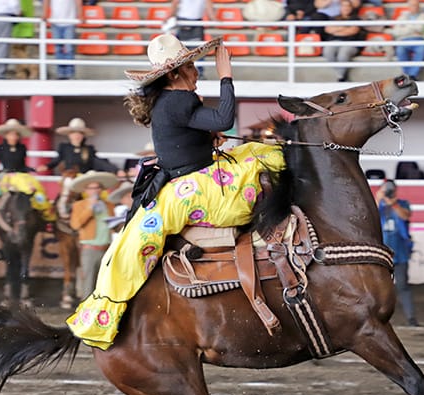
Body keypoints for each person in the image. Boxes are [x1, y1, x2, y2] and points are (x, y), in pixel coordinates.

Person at [66, 34, 285, 350]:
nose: (197, 72)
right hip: (193, 186)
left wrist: (206, 139)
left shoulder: (171, 101)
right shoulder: (179, 100)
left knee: (257, 153)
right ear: (174, 74)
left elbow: (188, 133)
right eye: (193, 66)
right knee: (268, 157)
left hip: (187, 177)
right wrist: (226, 75)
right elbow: (224, 117)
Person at [0, 118, 55, 222]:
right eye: (11, 134)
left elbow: (23, 165)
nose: (13, 137)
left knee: (36, 189)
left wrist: (34, 169)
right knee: (0, 195)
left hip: (21, 174)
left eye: (16, 134)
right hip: (6, 175)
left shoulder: (22, 148)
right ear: (5, 135)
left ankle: (43, 215)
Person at [376, 179, 418, 327]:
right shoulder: (378, 206)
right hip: (381, 254)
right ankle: (380, 317)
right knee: (380, 288)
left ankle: (411, 317)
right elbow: (370, 215)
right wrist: (378, 198)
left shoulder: (402, 204)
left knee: (403, 287)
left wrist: (393, 203)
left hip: (400, 253)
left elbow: (405, 216)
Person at [69, 171, 118, 299]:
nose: (95, 191)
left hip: (108, 248)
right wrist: (90, 208)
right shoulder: (79, 205)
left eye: (98, 187)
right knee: (88, 283)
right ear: (86, 190)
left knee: (105, 283)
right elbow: (75, 224)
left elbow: (115, 225)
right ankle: (85, 313)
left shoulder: (109, 205)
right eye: (92, 188)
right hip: (90, 249)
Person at [39, 118, 123, 177]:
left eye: (79, 133)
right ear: (69, 135)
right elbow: (57, 160)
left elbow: (99, 162)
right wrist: (47, 166)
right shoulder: (64, 148)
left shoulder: (89, 149)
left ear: (83, 136)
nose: (76, 136)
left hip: (84, 179)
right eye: (73, 133)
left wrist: (116, 170)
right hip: (70, 178)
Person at [321, 0, 364, 82]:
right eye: (343, 6)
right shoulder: (334, 17)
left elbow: (353, 31)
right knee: (327, 51)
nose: (346, 8)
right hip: (334, 41)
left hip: (351, 43)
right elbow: (328, 29)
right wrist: (345, 28)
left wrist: (337, 29)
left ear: (351, 8)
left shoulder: (356, 18)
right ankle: (341, 75)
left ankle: (340, 77)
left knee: (343, 53)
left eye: (348, 6)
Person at [44, 0, 83, 80]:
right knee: (58, 49)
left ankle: (70, 74)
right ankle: (60, 74)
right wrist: (45, 14)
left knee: (69, 49)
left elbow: (78, 1)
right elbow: (46, 1)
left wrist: (80, 15)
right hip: (55, 21)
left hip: (69, 21)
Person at [392, 0, 424, 80]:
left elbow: (421, 28)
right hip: (404, 40)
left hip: (419, 40)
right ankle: (408, 75)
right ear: (408, 7)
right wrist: (413, 28)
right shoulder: (402, 17)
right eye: (412, 5)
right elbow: (396, 32)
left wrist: (405, 28)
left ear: (419, 6)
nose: (414, 7)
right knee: (400, 50)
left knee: (422, 49)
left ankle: (412, 75)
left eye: (416, 5)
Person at [11, 0, 38, 80]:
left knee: (16, 49)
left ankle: (31, 66)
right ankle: (21, 74)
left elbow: (16, 8)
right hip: (28, 25)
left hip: (19, 26)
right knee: (22, 50)